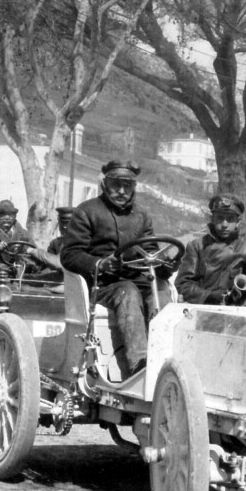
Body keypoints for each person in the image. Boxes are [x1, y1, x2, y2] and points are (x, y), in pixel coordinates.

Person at [60, 160, 178, 376]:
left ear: (134, 188)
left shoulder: (142, 216)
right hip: (101, 285)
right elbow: (69, 255)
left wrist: (165, 265)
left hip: (136, 282)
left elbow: (150, 251)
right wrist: (100, 264)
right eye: (116, 185)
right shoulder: (86, 211)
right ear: (105, 184)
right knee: (128, 292)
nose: (122, 191)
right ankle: (139, 365)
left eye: (128, 186)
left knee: (162, 296)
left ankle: (164, 362)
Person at [175, 193, 246, 307]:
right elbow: (183, 284)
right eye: (220, 218)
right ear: (212, 219)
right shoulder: (197, 247)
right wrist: (209, 296)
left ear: (238, 222)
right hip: (202, 310)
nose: (224, 224)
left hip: (236, 312)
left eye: (230, 219)